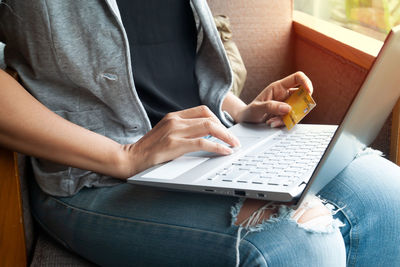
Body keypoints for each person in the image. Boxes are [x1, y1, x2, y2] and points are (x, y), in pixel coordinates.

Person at [0, 1, 399, 266]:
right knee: (300, 244)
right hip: (95, 175)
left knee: (389, 197)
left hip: (212, 146)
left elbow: (164, 71)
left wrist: (241, 113)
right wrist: (124, 156)